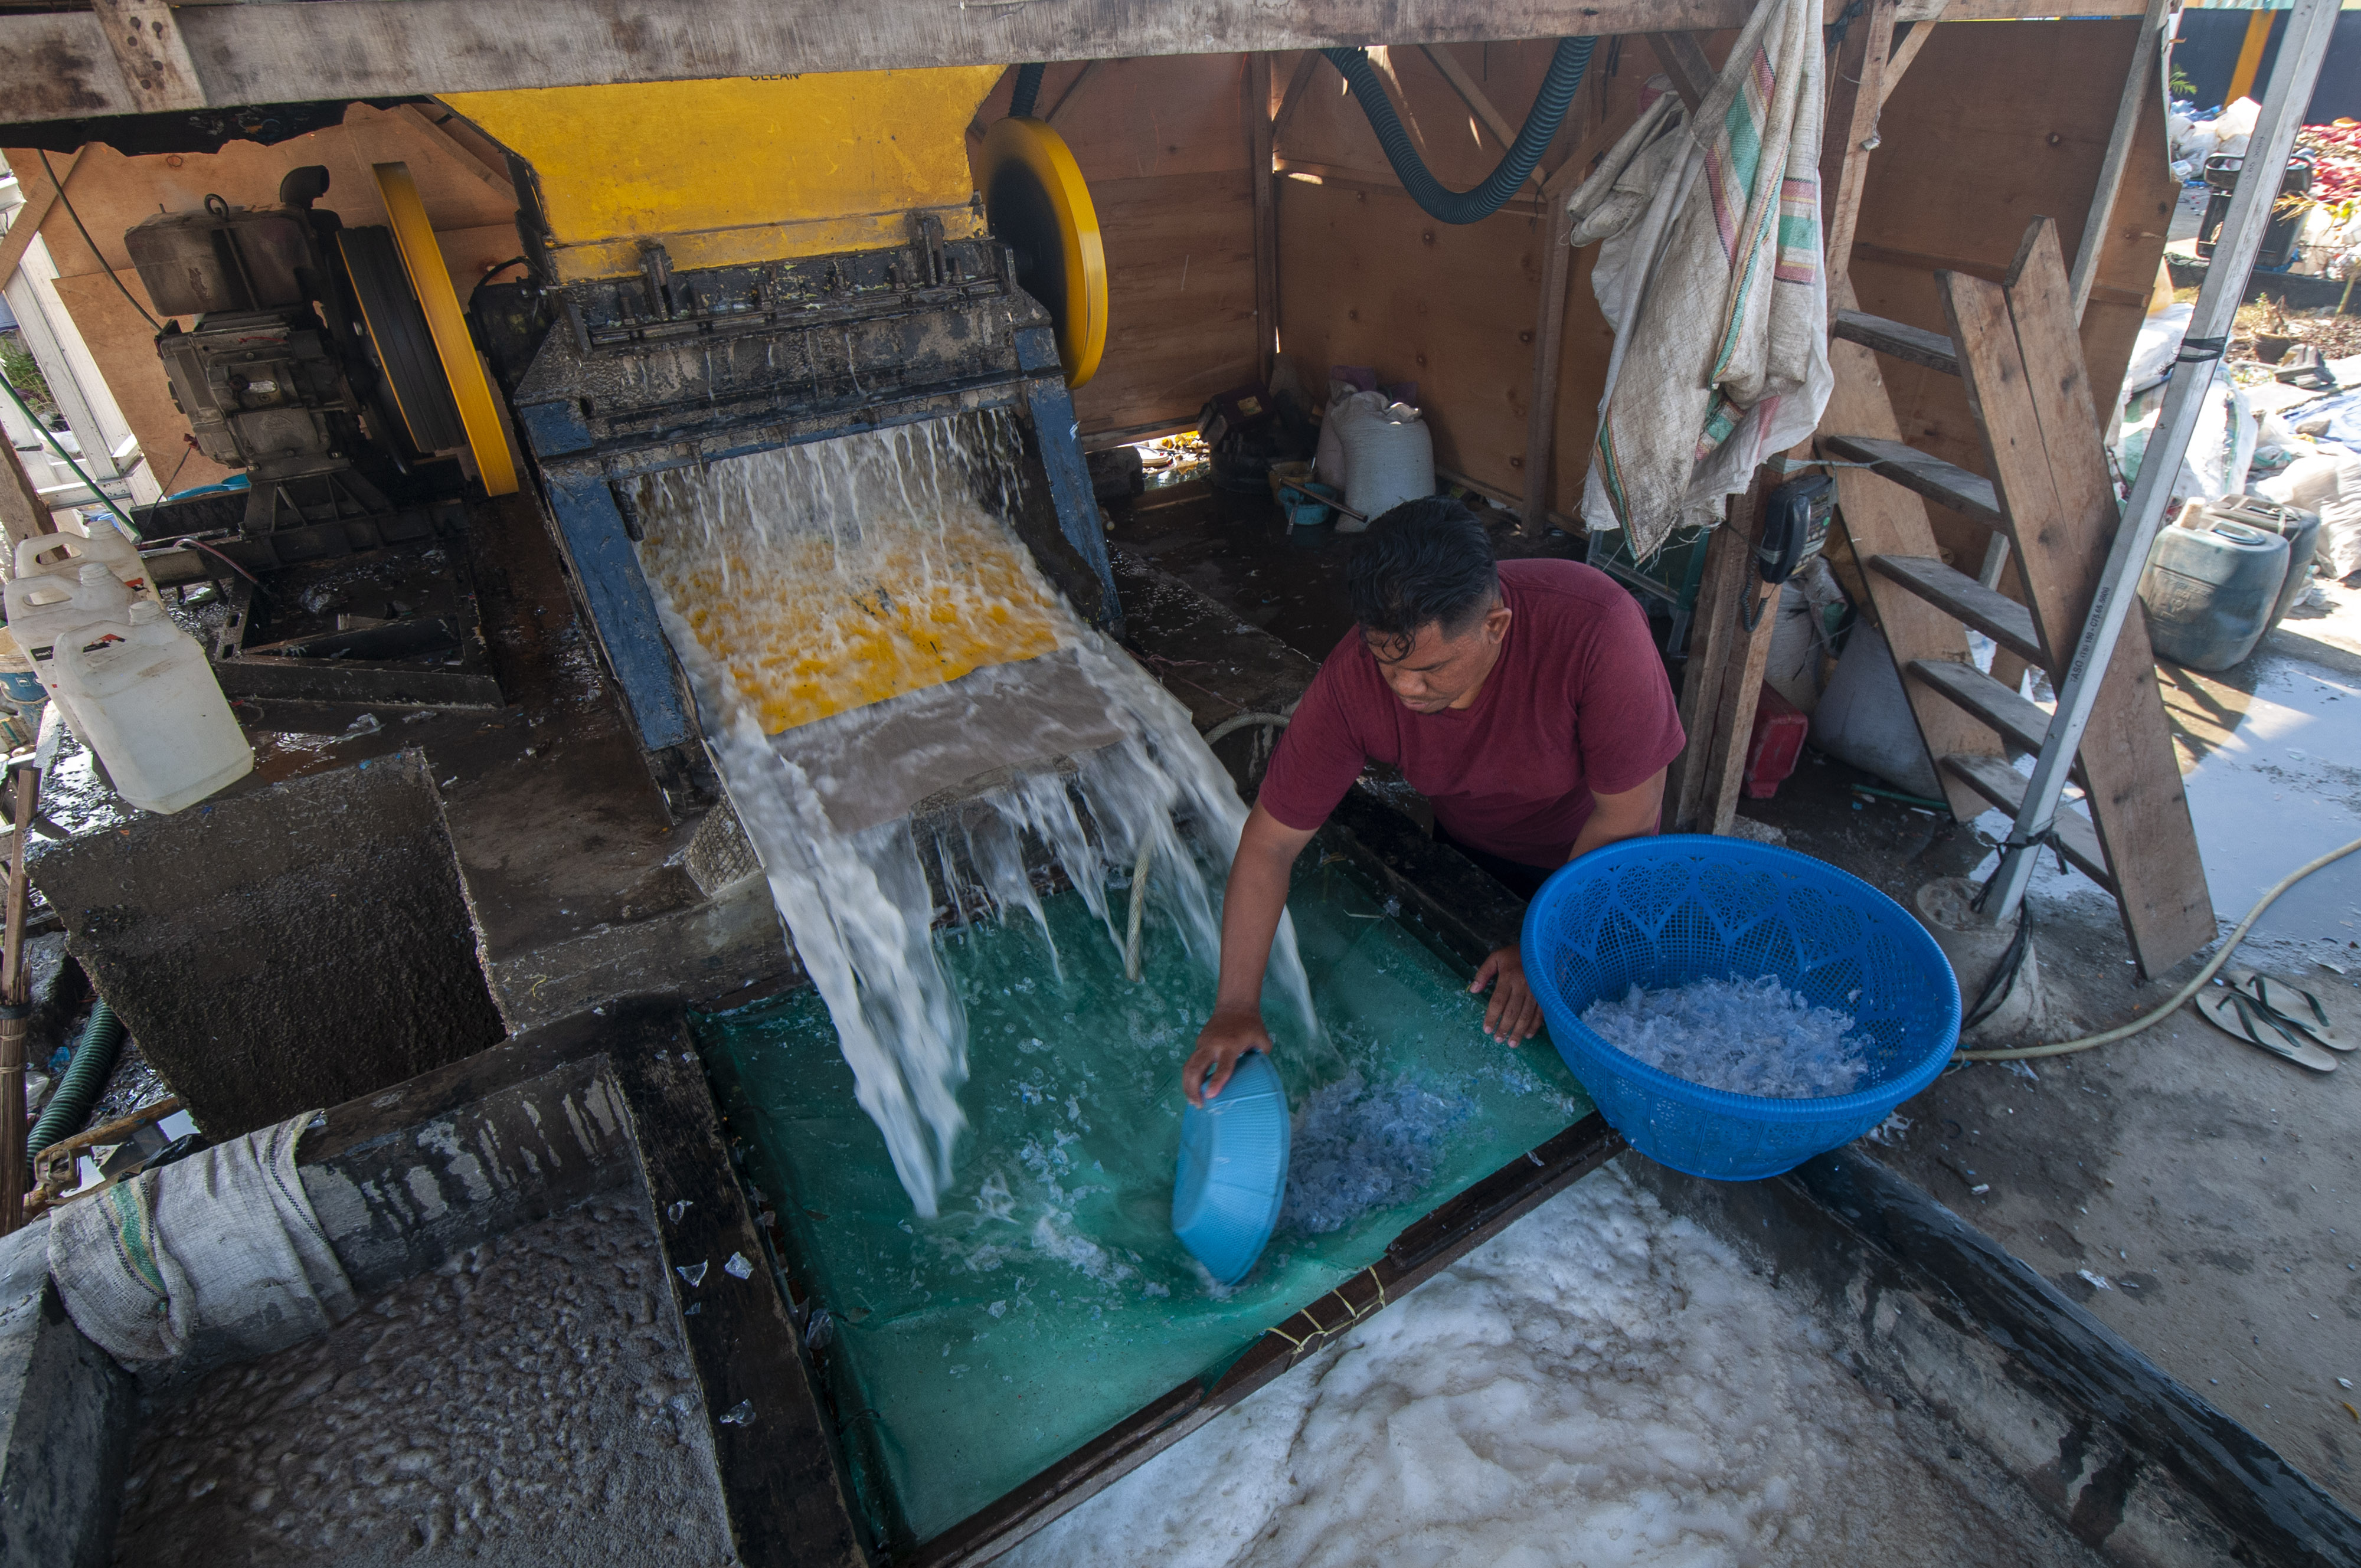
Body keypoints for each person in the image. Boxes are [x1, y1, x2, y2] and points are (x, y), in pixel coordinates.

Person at [1184, 497, 1684, 1104]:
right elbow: (1270, 844)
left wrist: (1543, 944)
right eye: (1387, 664)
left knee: (1594, 1061)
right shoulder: (1354, 680)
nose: (1405, 689)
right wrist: (1235, 1003)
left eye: (1430, 670)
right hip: (1472, 849)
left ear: (1495, 625)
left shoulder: (1596, 628)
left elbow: (1627, 812)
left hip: (1599, 868)